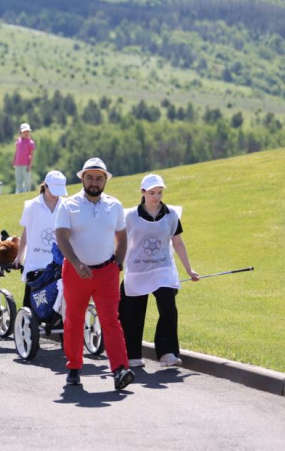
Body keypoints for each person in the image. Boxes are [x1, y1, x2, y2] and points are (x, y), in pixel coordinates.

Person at [54, 157, 135, 390]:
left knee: (111, 320)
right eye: (89, 177)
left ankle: (120, 369)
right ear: (82, 179)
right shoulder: (68, 205)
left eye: (99, 178)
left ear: (105, 181)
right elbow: (61, 237)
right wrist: (76, 263)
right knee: (74, 319)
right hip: (75, 271)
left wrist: (118, 263)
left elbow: (122, 237)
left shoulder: (115, 205)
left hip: (107, 272)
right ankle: (73, 367)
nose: (94, 182)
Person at [119, 174, 199, 368]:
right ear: (143, 192)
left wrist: (189, 269)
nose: (156, 197)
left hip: (163, 268)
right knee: (133, 310)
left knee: (168, 306)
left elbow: (177, 243)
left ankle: (167, 352)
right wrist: (117, 263)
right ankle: (132, 354)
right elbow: (120, 241)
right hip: (137, 269)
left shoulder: (171, 215)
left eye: (159, 192)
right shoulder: (130, 216)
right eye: (152, 193)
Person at [16, 170, 68, 308]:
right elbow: (26, 232)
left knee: (57, 305)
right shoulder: (31, 205)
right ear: (45, 186)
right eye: (53, 191)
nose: (56, 195)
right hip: (35, 264)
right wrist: (19, 256)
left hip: (58, 265)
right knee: (31, 305)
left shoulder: (66, 205)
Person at [13, 123, 35, 194]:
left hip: (26, 164)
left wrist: (30, 165)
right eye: (24, 132)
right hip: (18, 163)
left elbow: (32, 155)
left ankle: (26, 193)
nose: (26, 133)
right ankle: (18, 193)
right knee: (18, 180)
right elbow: (16, 151)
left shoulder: (31, 143)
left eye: (27, 131)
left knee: (27, 180)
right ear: (21, 132)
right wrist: (14, 160)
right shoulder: (18, 140)